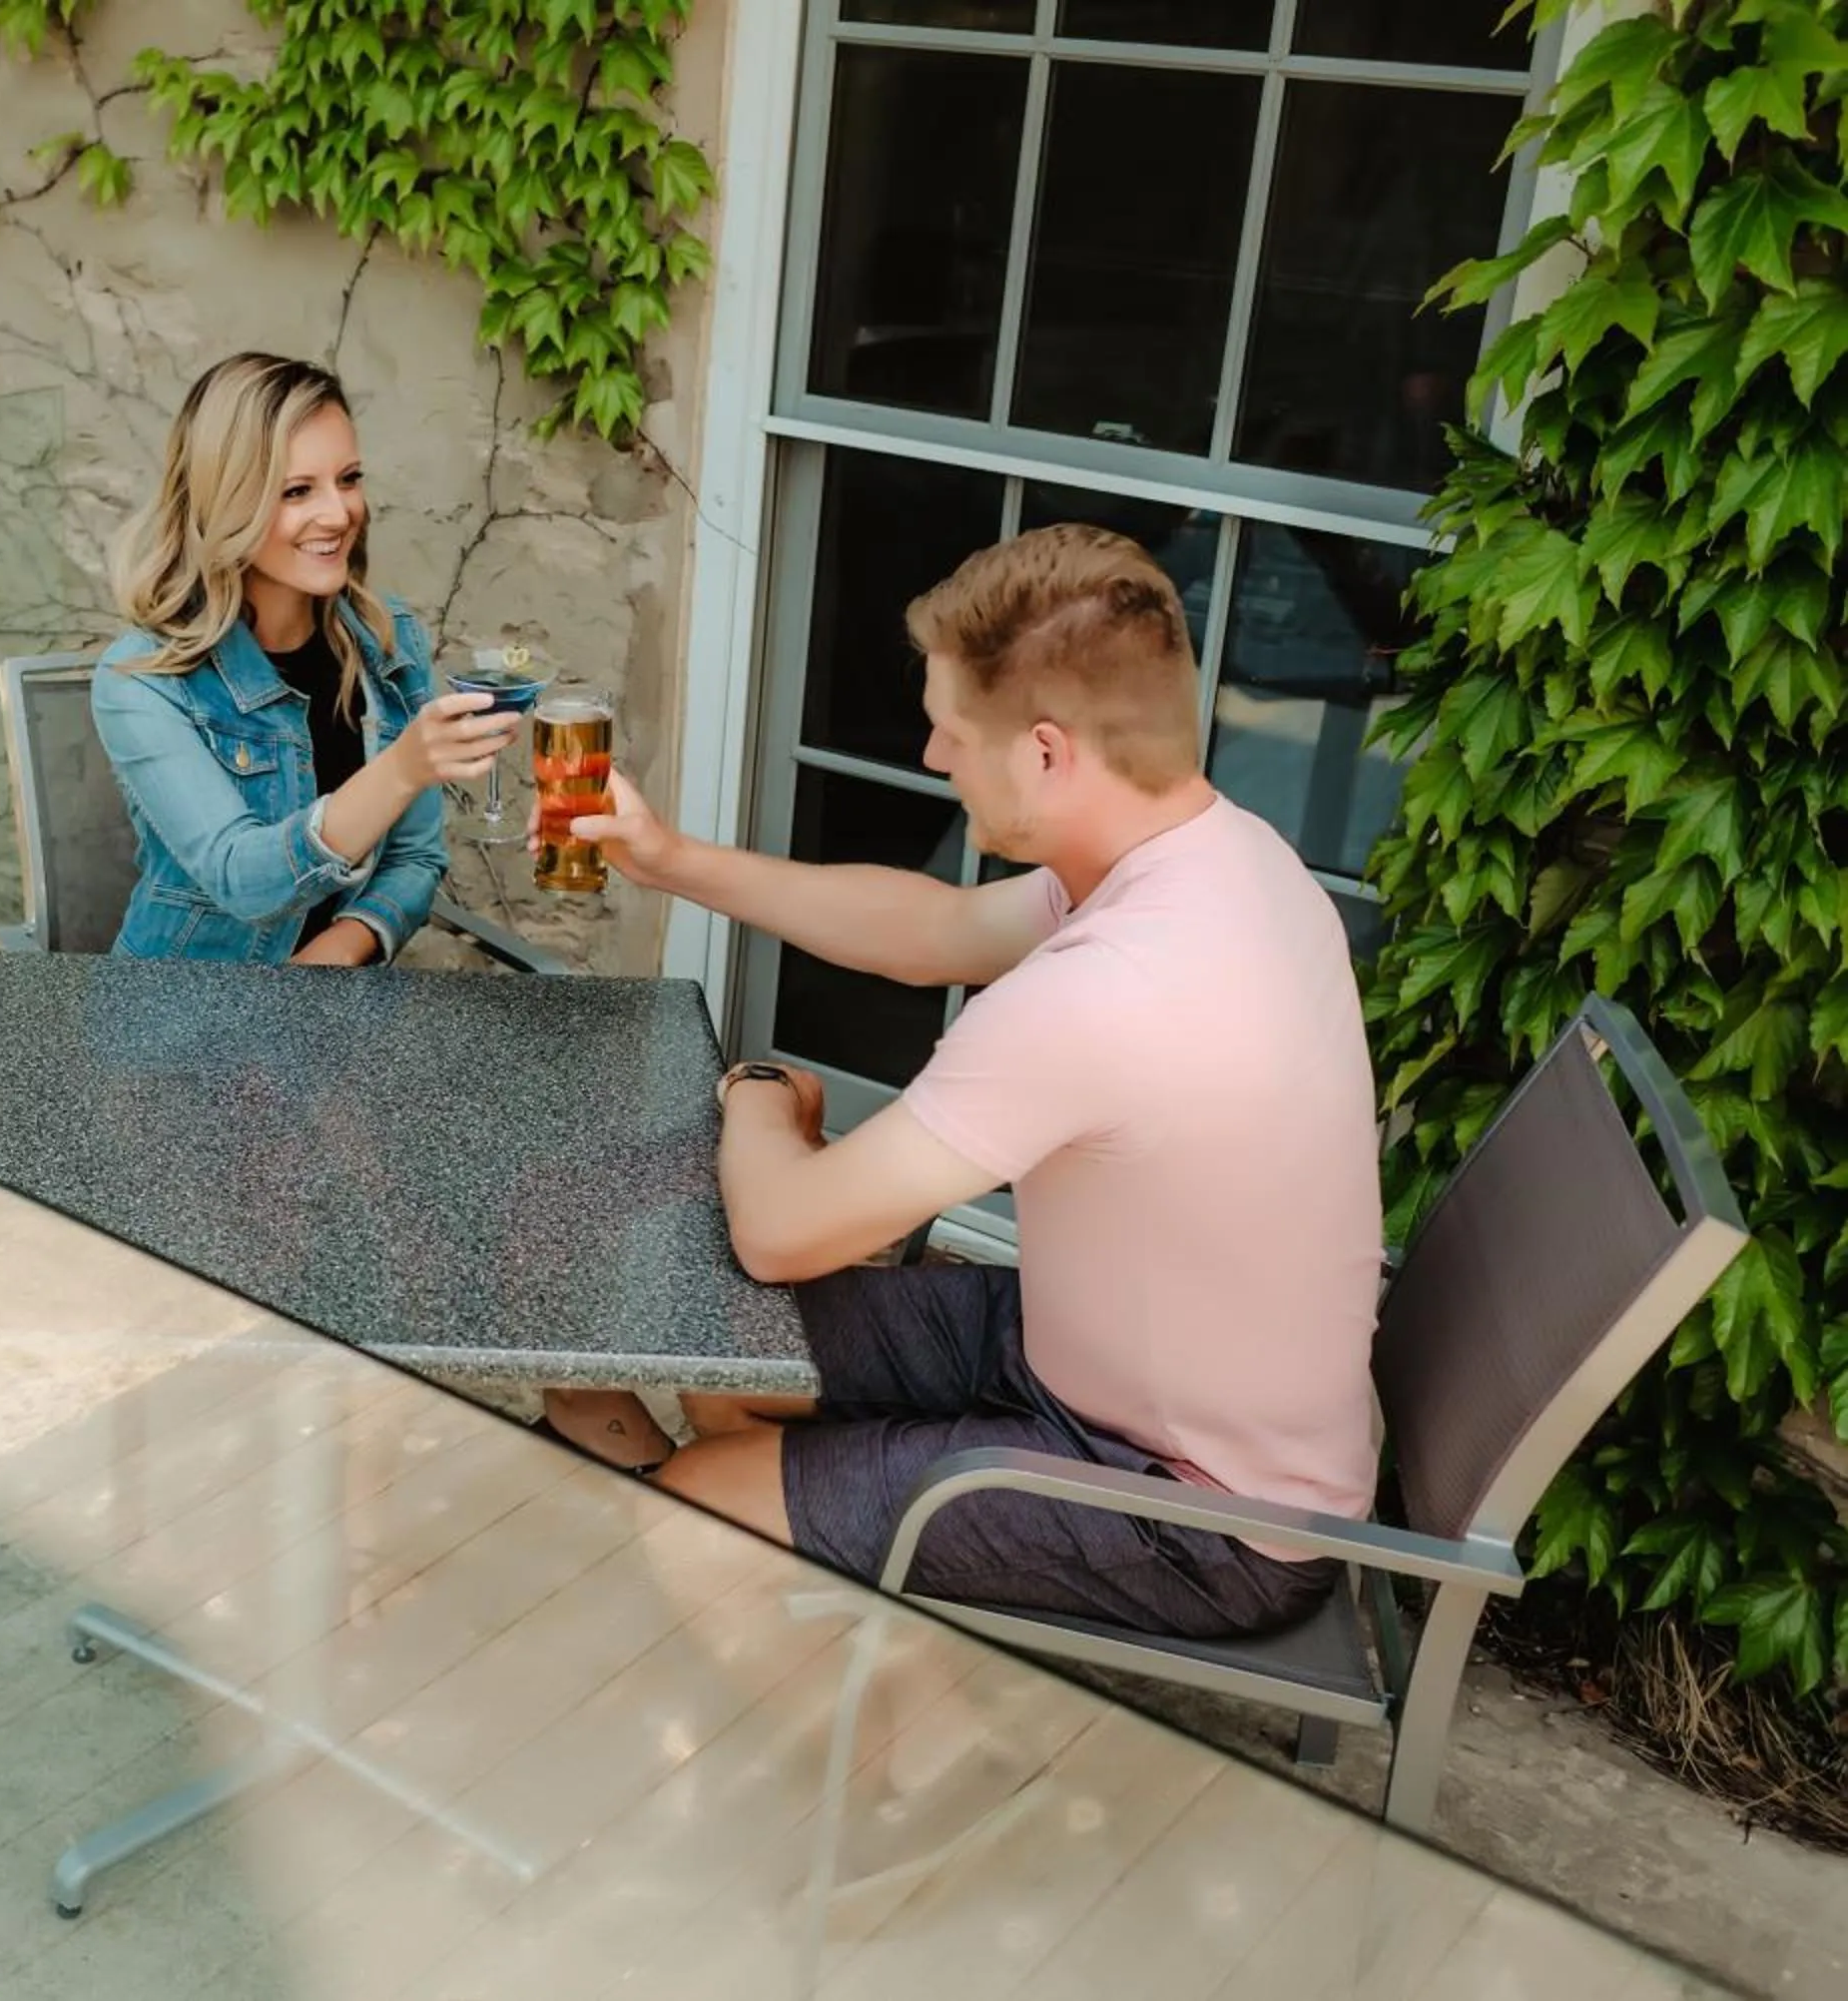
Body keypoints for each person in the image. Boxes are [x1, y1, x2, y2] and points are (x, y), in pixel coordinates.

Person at [543, 523, 1383, 1641]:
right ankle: (836, 1637)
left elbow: (784, 1231)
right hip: (1080, 1357)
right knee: (728, 1362)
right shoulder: (1223, 862)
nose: (933, 760)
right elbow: (934, 929)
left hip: (1200, 1511)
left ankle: (861, 1764)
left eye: (948, 733)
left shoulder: (1110, 989)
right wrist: (676, 863)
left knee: (696, 1511)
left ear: (1043, 753)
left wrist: (753, 1094)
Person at [92, 352, 515, 964]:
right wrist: (400, 770)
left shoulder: (387, 641)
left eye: (349, 479)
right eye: (297, 491)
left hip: (329, 1014)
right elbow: (242, 879)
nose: (339, 513)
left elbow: (416, 860)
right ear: (225, 503)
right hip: (179, 1018)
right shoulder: (143, 681)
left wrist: (334, 957)